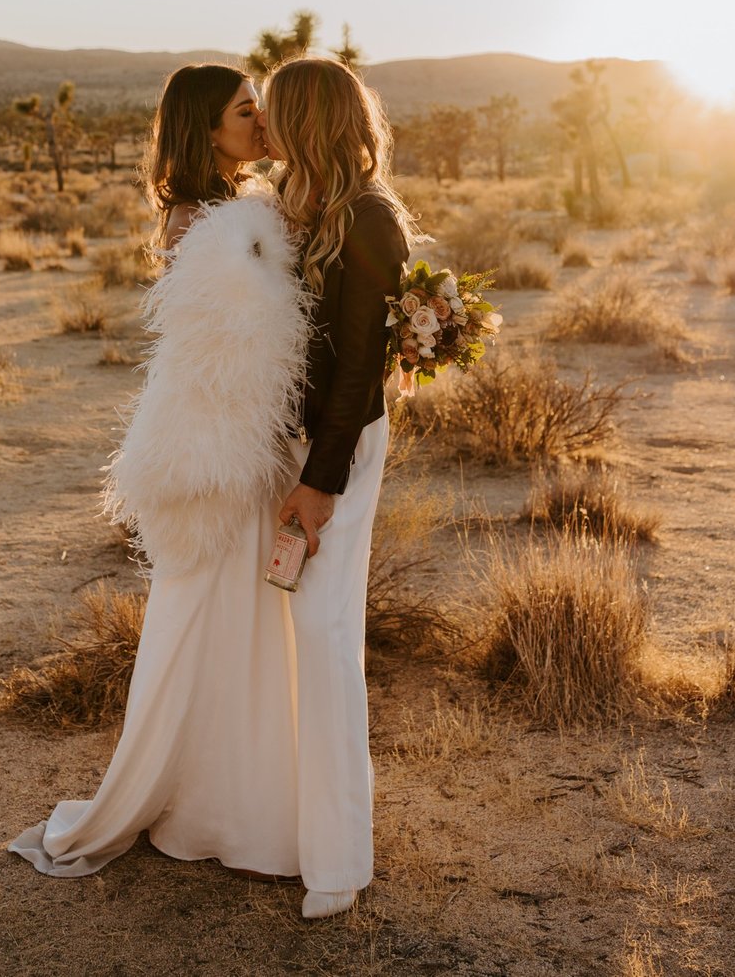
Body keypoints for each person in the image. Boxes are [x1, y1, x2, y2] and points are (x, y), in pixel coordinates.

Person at [8, 64, 307, 880]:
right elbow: (233, 351)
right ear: (207, 128)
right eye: (247, 110)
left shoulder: (247, 204)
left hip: (254, 444)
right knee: (215, 614)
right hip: (226, 449)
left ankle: (243, 792)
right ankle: (209, 802)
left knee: (247, 621)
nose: (261, 119)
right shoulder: (197, 220)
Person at [260, 55, 411, 918]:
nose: (267, 127)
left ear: (308, 116)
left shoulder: (369, 216)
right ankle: (287, 822)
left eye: (276, 110)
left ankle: (338, 861)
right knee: (290, 630)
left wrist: (320, 484)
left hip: (337, 446)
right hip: (291, 441)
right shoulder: (300, 204)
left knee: (321, 633)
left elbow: (360, 368)